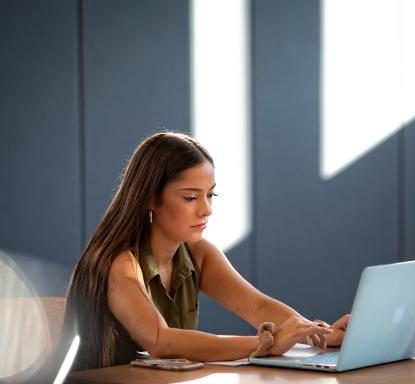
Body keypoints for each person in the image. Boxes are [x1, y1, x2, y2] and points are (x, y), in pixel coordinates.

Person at [63, 131, 349, 370]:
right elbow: (160, 341)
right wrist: (266, 344)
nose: (206, 209)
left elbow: (256, 306)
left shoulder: (198, 254)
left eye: (210, 194)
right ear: (150, 197)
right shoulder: (121, 264)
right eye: (190, 197)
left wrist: (317, 334)